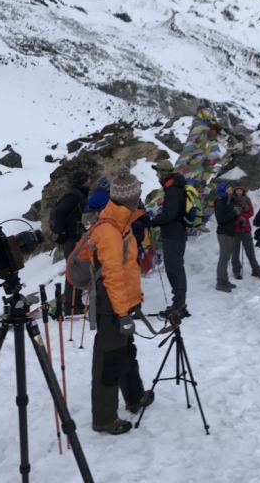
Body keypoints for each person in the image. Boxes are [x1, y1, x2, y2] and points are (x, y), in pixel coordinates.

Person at [88, 165, 154, 435]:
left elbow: (126, 271)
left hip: (123, 303)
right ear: (130, 198)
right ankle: (103, 417)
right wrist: (123, 314)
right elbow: (113, 276)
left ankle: (135, 397)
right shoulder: (110, 230)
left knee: (126, 353)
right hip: (110, 307)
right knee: (108, 362)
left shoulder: (122, 223)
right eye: (137, 195)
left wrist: (132, 303)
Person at [149, 160, 189, 319]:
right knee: (175, 267)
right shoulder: (174, 187)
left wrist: (153, 221)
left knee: (174, 269)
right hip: (175, 233)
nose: (157, 175)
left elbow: (170, 214)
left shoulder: (173, 190)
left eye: (158, 172)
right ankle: (180, 303)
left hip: (174, 234)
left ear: (164, 173)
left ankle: (178, 305)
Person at [52, 170, 91, 310]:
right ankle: (70, 305)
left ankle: (75, 303)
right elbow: (59, 212)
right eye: (88, 178)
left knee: (77, 269)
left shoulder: (78, 195)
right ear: (82, 181)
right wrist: (63, 233)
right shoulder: (74, 196)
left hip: (74, 238)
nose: (90, 180)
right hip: (71, 239)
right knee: (74, 270)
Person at [229, 182, 260, 281]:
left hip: (246, 229)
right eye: (237, 190)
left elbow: (251, 211)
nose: (239, 192)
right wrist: (238, 220)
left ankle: (256, 270)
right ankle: (236, 271)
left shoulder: (247, 200)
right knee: (235, 251)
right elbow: (231, 215)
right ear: (234, 191)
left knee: (250, 251)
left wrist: (244, 218)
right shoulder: (232, 201)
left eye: (241, 190)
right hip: (235, 230)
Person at [213, 182, 240, 293]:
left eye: (230, 189)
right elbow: (221, 219)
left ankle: (225, 280)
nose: (231, 191)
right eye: (228, 189)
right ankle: (220, 282)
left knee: (226, 258)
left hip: (230, 232)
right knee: (223, 258)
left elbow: (232, 218)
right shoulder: (220, 202)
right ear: (223, 191)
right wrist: (233, 213)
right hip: (224, 233)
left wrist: (236, 214)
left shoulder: (229, 201)